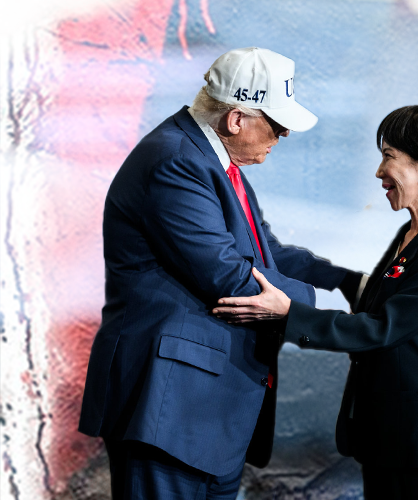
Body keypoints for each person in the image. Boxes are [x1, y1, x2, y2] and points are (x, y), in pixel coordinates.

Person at [78, 47, 359, 499]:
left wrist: (347, 280)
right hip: (169, 411)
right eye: (276, 123)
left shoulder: (213, 160)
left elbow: (265, 252)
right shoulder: (176, 161)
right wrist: (308, 305)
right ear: (236, 119)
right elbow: (227, 274)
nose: (283, 134)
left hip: (204, 416)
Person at [213, 105, 418, 500]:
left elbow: (380, 328)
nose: (378, 172)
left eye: (389, 157)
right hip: (393, 438)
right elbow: (381, 300)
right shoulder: (415, 233)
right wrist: (338, 280)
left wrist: (289, 313)